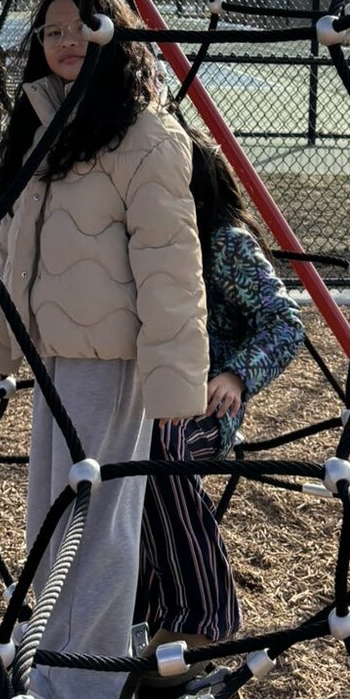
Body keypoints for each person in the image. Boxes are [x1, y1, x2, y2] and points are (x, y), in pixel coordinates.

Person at [0, 0, 207, 699]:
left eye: (84, 26)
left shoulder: (145, 135)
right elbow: (16, 249)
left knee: (95, 525)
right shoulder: (48, 125)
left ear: (116, 36)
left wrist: (177, 389)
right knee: (54, 514)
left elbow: (172, 268)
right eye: (53, 28)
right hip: (60, 354)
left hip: (116, 361)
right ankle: (65, 672)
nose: (67, 40)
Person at [136, 133, 303, 664]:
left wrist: (236, 374)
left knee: (161, 453)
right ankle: (139, 607)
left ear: (196, 197)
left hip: (207, 406)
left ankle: (203, 613)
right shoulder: (146, 240)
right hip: (153, 394)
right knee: (116, 462)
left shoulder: (225, 243)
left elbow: (284, 322)